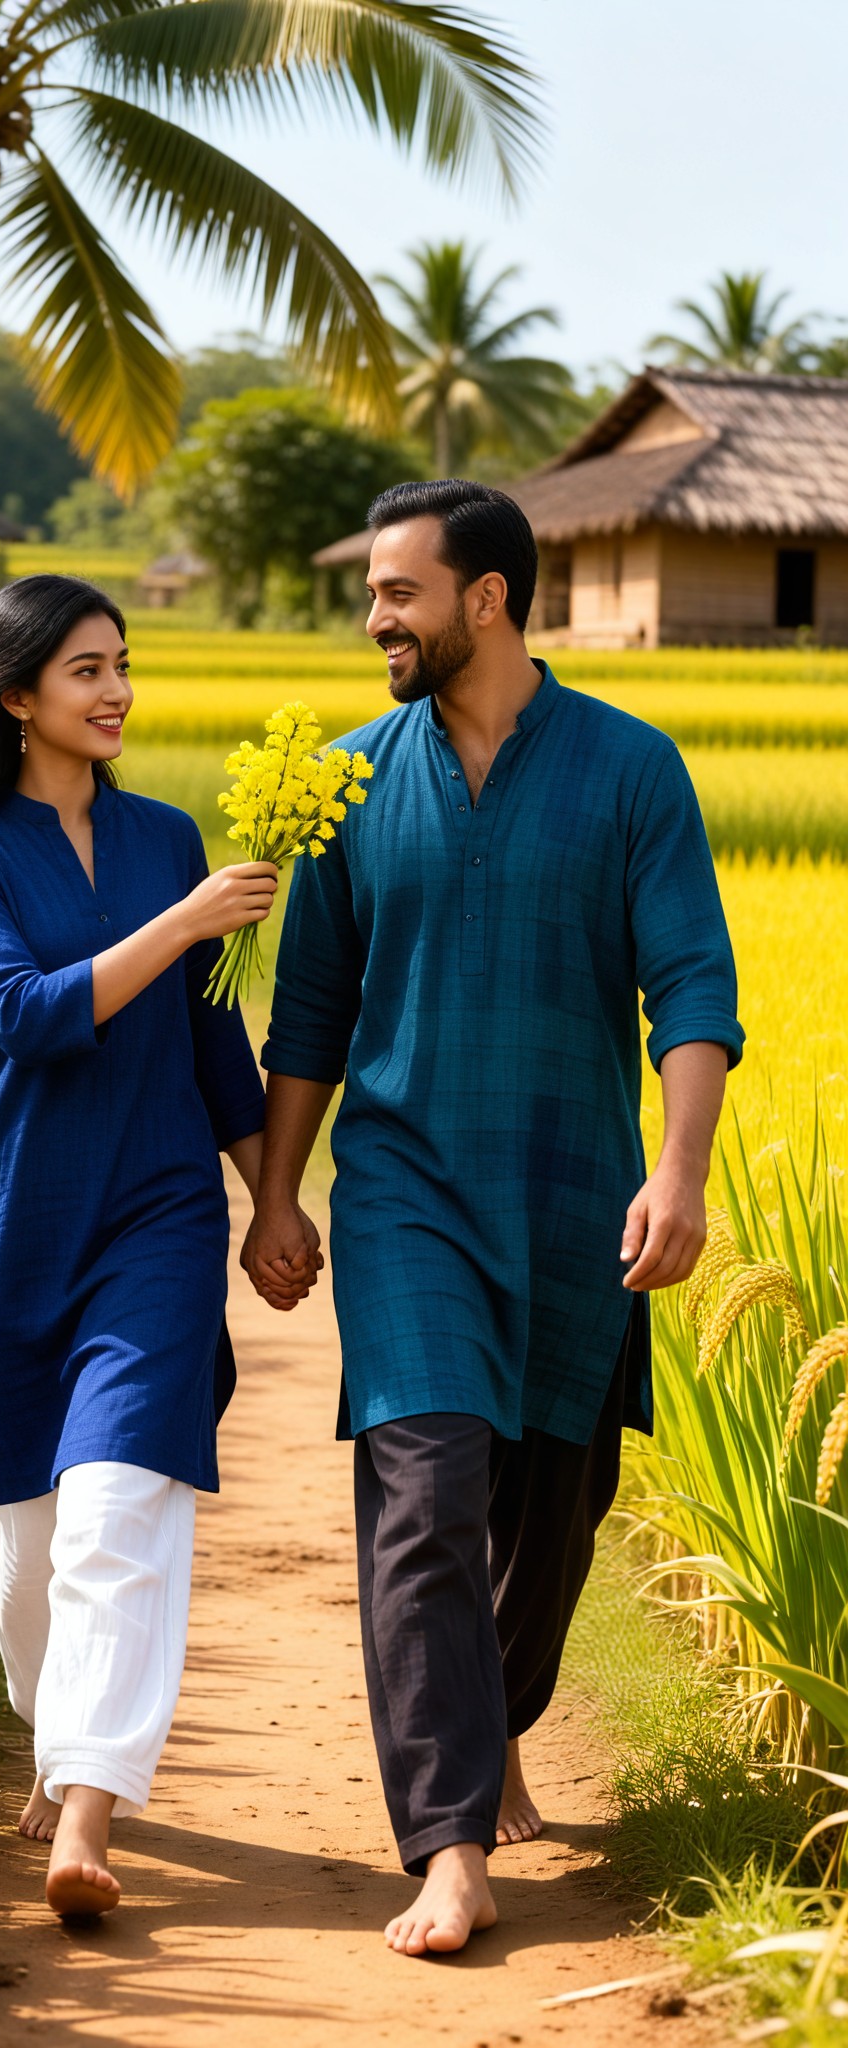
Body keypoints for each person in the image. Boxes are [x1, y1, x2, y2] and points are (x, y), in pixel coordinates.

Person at [242, 480, 743, 1958]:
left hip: (579, 1190)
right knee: (424, 1491)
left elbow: (693, 988)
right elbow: (313, 1012)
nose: (376, 618)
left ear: (488, 598)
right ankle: (449, 1844)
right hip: (404, 1193)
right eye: (373, 594)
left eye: (400, 591)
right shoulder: (344, 780)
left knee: (557, 1507)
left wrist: (682, 1170)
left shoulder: (631, 769)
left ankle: (494, 1715)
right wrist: (277, 1191)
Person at [0, 574, 304, 1920]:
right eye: (86, 670)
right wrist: (188, 921)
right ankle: (57, 1727)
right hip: (14, 1222)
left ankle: (87, 1807)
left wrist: (273, 1198)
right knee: (26, 1547)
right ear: (17, 696)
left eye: (122, 663)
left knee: (116, 1505)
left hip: (157, 1215)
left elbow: (209, 1046)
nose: (117, 689)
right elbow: (18, 1017)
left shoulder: (165, 832)